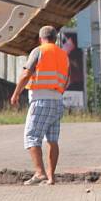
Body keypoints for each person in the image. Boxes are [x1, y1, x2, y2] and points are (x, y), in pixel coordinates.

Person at [10, 25, 69, 186]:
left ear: (40, 38)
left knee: (31, 137)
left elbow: (26, 73)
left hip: (40, 101)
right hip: (57, 102)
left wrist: (16, 93)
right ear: (55, 39)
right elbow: (67, 79)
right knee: (52, 139)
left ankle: (39, 173)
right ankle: (51, 177)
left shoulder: (39, 51)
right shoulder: (63, 55)